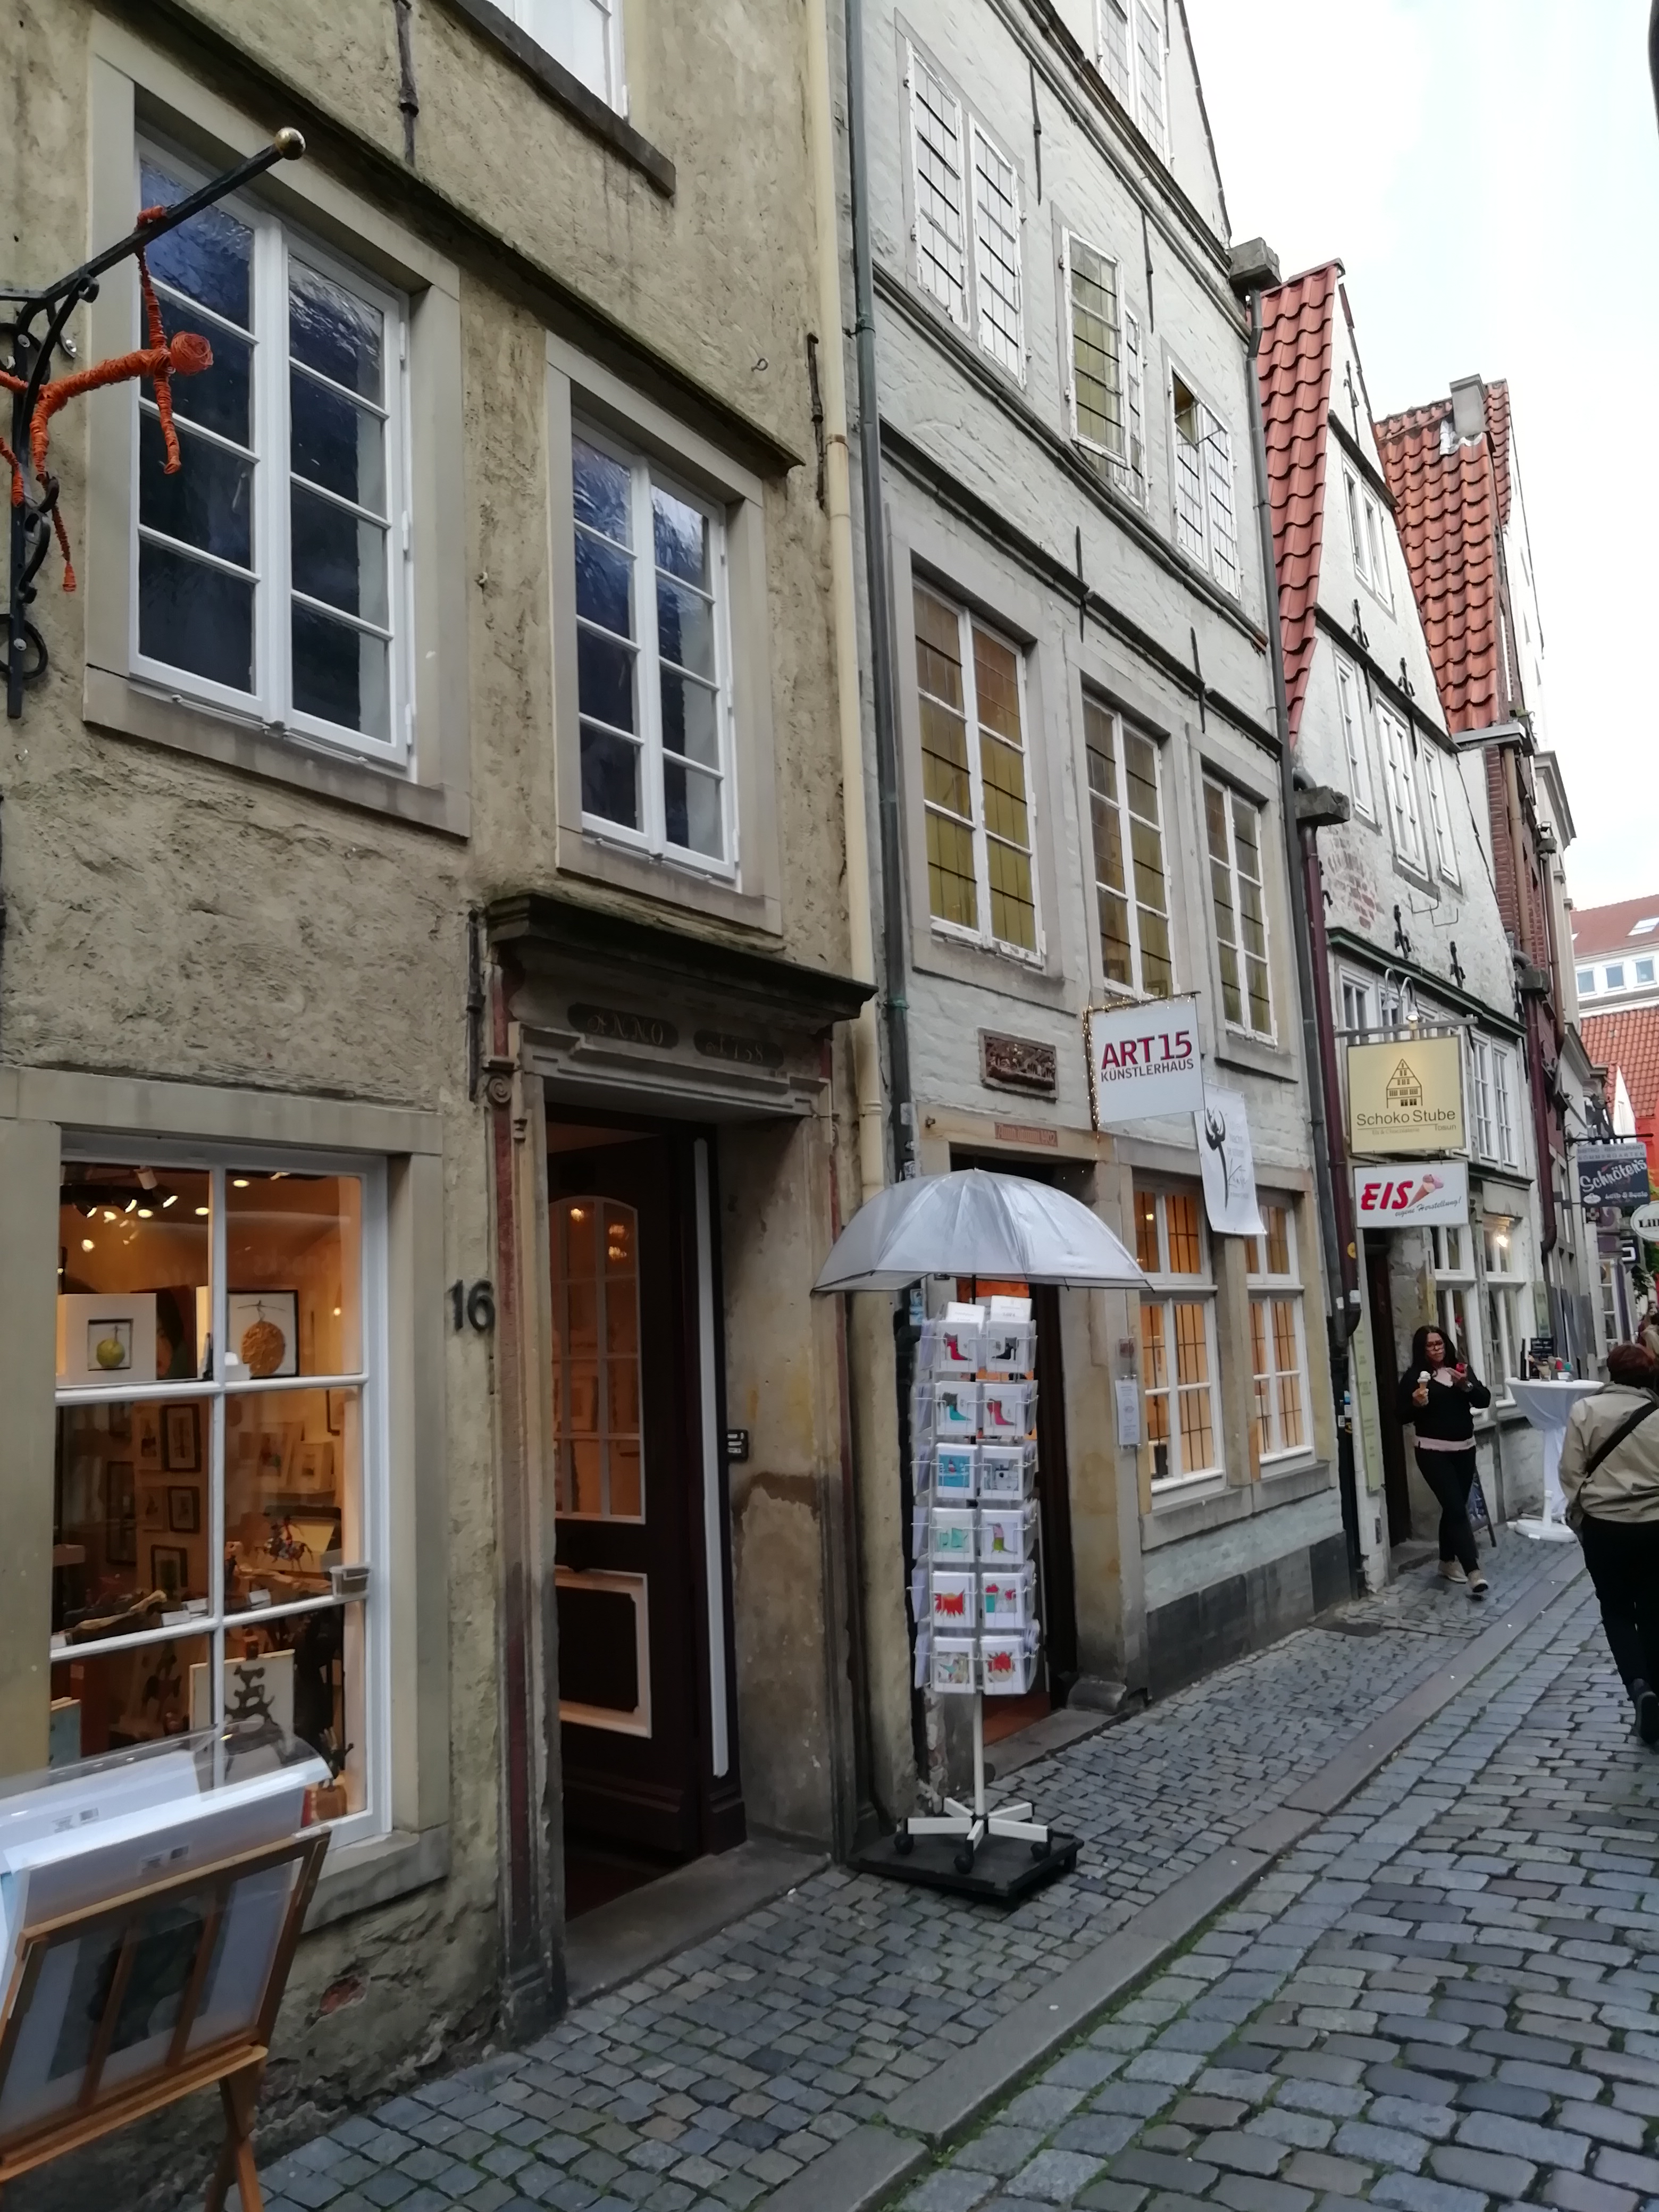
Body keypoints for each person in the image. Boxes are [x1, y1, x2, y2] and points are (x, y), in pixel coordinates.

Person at [1560, 1339, 1659, 1745]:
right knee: (1653, 1609)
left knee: (1616, 1610)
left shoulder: (1585, 1411)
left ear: (1611, 1373)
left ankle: (1639, 1686)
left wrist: (1581, 1515)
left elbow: (1571, 1472)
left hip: (1605, 1526)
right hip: (1654, 1524)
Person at [1396, 1325, 1492, 1597]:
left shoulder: (1461, 1370)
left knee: (1454, 1507)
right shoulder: (1415, 1378)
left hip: (1465, 1449)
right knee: (1456, 1507)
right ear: (1422, 1349)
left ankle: (1447, 1562)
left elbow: (1484, 1400)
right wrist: (1416, 1405)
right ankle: (1474, 1571)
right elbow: (1400, 1415)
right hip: (1432, 1451)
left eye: (1439, 1343)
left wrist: (1466, 1386)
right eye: (1430, 1345)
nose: (1436, 1349)